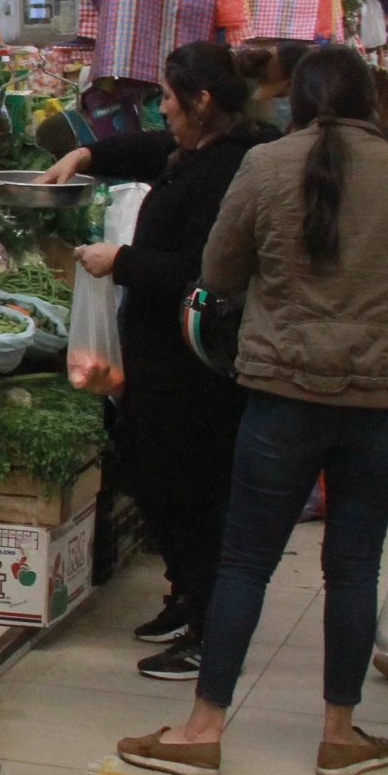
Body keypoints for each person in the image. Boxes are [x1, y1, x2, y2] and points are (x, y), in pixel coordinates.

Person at [116, 46, 388, 775]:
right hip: (387, 406)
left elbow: (215, 276)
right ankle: (340, 732)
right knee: (354, 567)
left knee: (245, 562)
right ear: (375, 103)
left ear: (298, 103)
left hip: (281, 396)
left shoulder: (266, 167)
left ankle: (203, 728)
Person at [40, 43, 271, 679]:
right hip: (161, 360)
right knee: (157, 479)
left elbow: (205, 269)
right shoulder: (200, 149)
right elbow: (147, 149)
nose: (160, 109)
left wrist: (121, 263)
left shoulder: (233, 169)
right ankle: (185, 597)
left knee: (191, 491)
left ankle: (208, 629)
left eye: (169, 98)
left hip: (197, 366)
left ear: (201, 102)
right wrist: (86, 153)